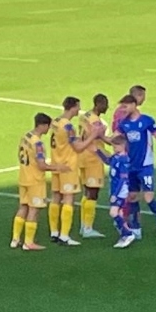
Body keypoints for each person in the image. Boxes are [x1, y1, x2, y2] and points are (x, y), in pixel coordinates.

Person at [49, 96, 102, 246]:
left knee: (55, 198)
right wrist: (93, 135)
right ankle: (65, 236)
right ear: (72, 107)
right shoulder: (68, 126)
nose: (79, 109)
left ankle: (54, 232)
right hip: (67, 166)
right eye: (78, 107)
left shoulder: (56, 121)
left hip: (56, 163)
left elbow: (66, 141)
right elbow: (78, 148)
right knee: (68, 199)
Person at [11, 113, 68, 251]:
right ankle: (28, 242)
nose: (48, 129)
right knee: (34, 210)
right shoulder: (38, 143)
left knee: (23, 207)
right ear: (42, 125)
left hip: (23, 177)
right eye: (47, 126)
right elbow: (42, 166)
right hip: (35, 180)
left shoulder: (25, 137)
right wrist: (57, 167)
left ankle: (15, 239)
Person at [118, 94, 156, 239]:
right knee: (132, 196)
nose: (123, 109)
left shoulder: (147, 121)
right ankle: (136, 228)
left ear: (134, 105)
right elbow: (115, 140)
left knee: (148, 198)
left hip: (145, 166)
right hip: (131, 166)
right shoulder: (123, 124)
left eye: (126, 106)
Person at [94, 135, 136, 249]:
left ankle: (128, 234)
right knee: (120, 213)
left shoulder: (124, 160)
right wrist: (98, 152)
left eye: (115, 146)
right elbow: (108, 161)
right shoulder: (116, 157)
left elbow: (123, 179)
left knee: (113, 212)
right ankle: (124, 234)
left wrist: (115, 194)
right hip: (114, 188)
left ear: (123, 146)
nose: (113, 148)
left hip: (120, 191)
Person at [78, 94, 111, 239]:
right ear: (98, 104)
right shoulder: (96, 122)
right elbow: (103, 139)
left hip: (83, 156)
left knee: (86, 192)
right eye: (105, 104)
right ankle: (87, 228)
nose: (107, 107)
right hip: (93, 158)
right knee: (93, 192)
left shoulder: (85, 116)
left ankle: (83, 225)